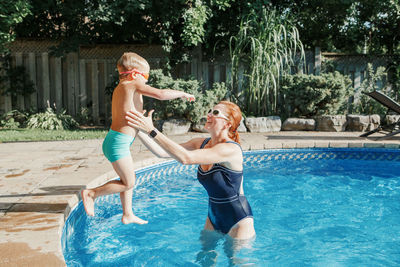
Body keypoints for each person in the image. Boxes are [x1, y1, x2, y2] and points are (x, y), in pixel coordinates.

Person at [81, 52, 195, 225]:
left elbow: (125, 111)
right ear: (134, 74)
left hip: (116, 141)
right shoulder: (133, 83)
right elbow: (161, 94)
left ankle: (127, 214)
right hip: (118, 144)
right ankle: (92, 193)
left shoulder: (122, 88)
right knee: (129, 183)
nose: (147, 81)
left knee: (127, 178)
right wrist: (182, 93)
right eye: (146, 76)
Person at [125, 100, 255, 239]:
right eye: (210, 110)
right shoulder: (201, 143)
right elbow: (162, 152)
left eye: (216, 113)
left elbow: (185, 158)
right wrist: (138, 128)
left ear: (227, 124)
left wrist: (152, 130)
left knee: (235, 261)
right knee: (203, 259)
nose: (209, 114)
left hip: (238, 221)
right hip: (213, 217)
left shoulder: (230, 149)